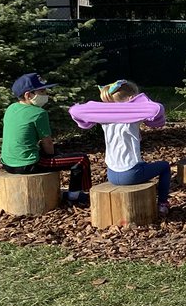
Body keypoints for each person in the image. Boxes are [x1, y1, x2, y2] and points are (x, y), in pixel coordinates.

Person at [69, 79, 172, 215]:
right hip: (130, 174)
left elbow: (74, 110)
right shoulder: (133, 116)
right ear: (131, 98)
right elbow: (156, 108)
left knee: (145, 165)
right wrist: (132, 106)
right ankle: (162, 203)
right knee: (164, 166)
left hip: (112, 173)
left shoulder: (105, 117)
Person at [1, 73, 94, 208]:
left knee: (60, 155)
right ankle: (77, 194)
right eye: (42, 91)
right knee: (81, 159)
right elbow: (48, 143)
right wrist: (52, 156)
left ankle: (76, 192)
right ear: (28, 95)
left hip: (8, 163)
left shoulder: (11, 108)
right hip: (29, 163)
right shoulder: (39, 113)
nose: (46, 94)